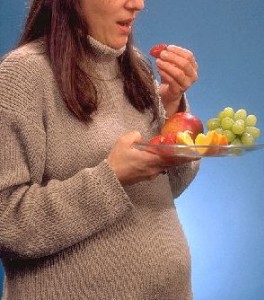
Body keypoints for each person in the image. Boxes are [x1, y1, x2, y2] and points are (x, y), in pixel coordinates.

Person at [0, 0, 200, 299]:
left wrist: (172, 107)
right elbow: (7, 224)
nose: (138, 4)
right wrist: (111, 177)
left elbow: (171, 185)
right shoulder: (24, 73)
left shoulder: (137, 67)